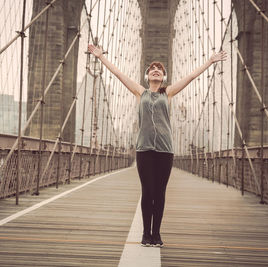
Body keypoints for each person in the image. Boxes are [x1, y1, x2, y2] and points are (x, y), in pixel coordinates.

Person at [88, 44, 227, 247]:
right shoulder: (140, 92)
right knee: (147, 191)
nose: (155, 70)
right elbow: (118, 74)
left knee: (160, 192)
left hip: (165, 150)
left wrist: (210, 61)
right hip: (144, 149)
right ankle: (146, 234)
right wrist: (100, 58)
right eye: (152, 68)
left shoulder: (168, 93)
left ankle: (157, 234)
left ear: (163, 77)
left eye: (159, 69)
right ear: (147, 76)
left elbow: (190, 78)